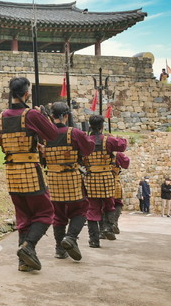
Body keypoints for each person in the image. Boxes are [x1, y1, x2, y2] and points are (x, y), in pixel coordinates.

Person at [0, 77, 58, 272]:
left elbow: (3, 145)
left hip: (11, 172)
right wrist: (43, 115)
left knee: (23, 217)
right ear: (26, 94)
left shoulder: (2, 116)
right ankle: (28, 246)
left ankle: (24, 261)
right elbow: (52, 134)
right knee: (46, 212)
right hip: (30, 171)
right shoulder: (31, 114)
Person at [43, 102, 94, 262]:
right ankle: (71, 237)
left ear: (52, 116)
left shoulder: (45, 135)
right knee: (80, 210)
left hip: (52, 179)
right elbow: (88, 149)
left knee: (58, 215)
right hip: (71, 178)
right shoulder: (74, 133)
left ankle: (59, 249)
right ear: (66, 116)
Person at [82, 115, 127, 248]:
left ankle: (94, 240)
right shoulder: (107, 140)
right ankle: (108, 227)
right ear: (102, 126)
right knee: (109, 204)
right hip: (106, 178)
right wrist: (120, 138)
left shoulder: (85, 140)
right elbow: (122, 145)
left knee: (92, 209)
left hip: (90, 178)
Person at [109, 151, 130, 234]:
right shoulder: (116, 154)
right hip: (113, 181)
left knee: (101, 204)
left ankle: (103, 229)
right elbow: (126, 163)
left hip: (95, 180)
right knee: (117, 203)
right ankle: (113, 223)